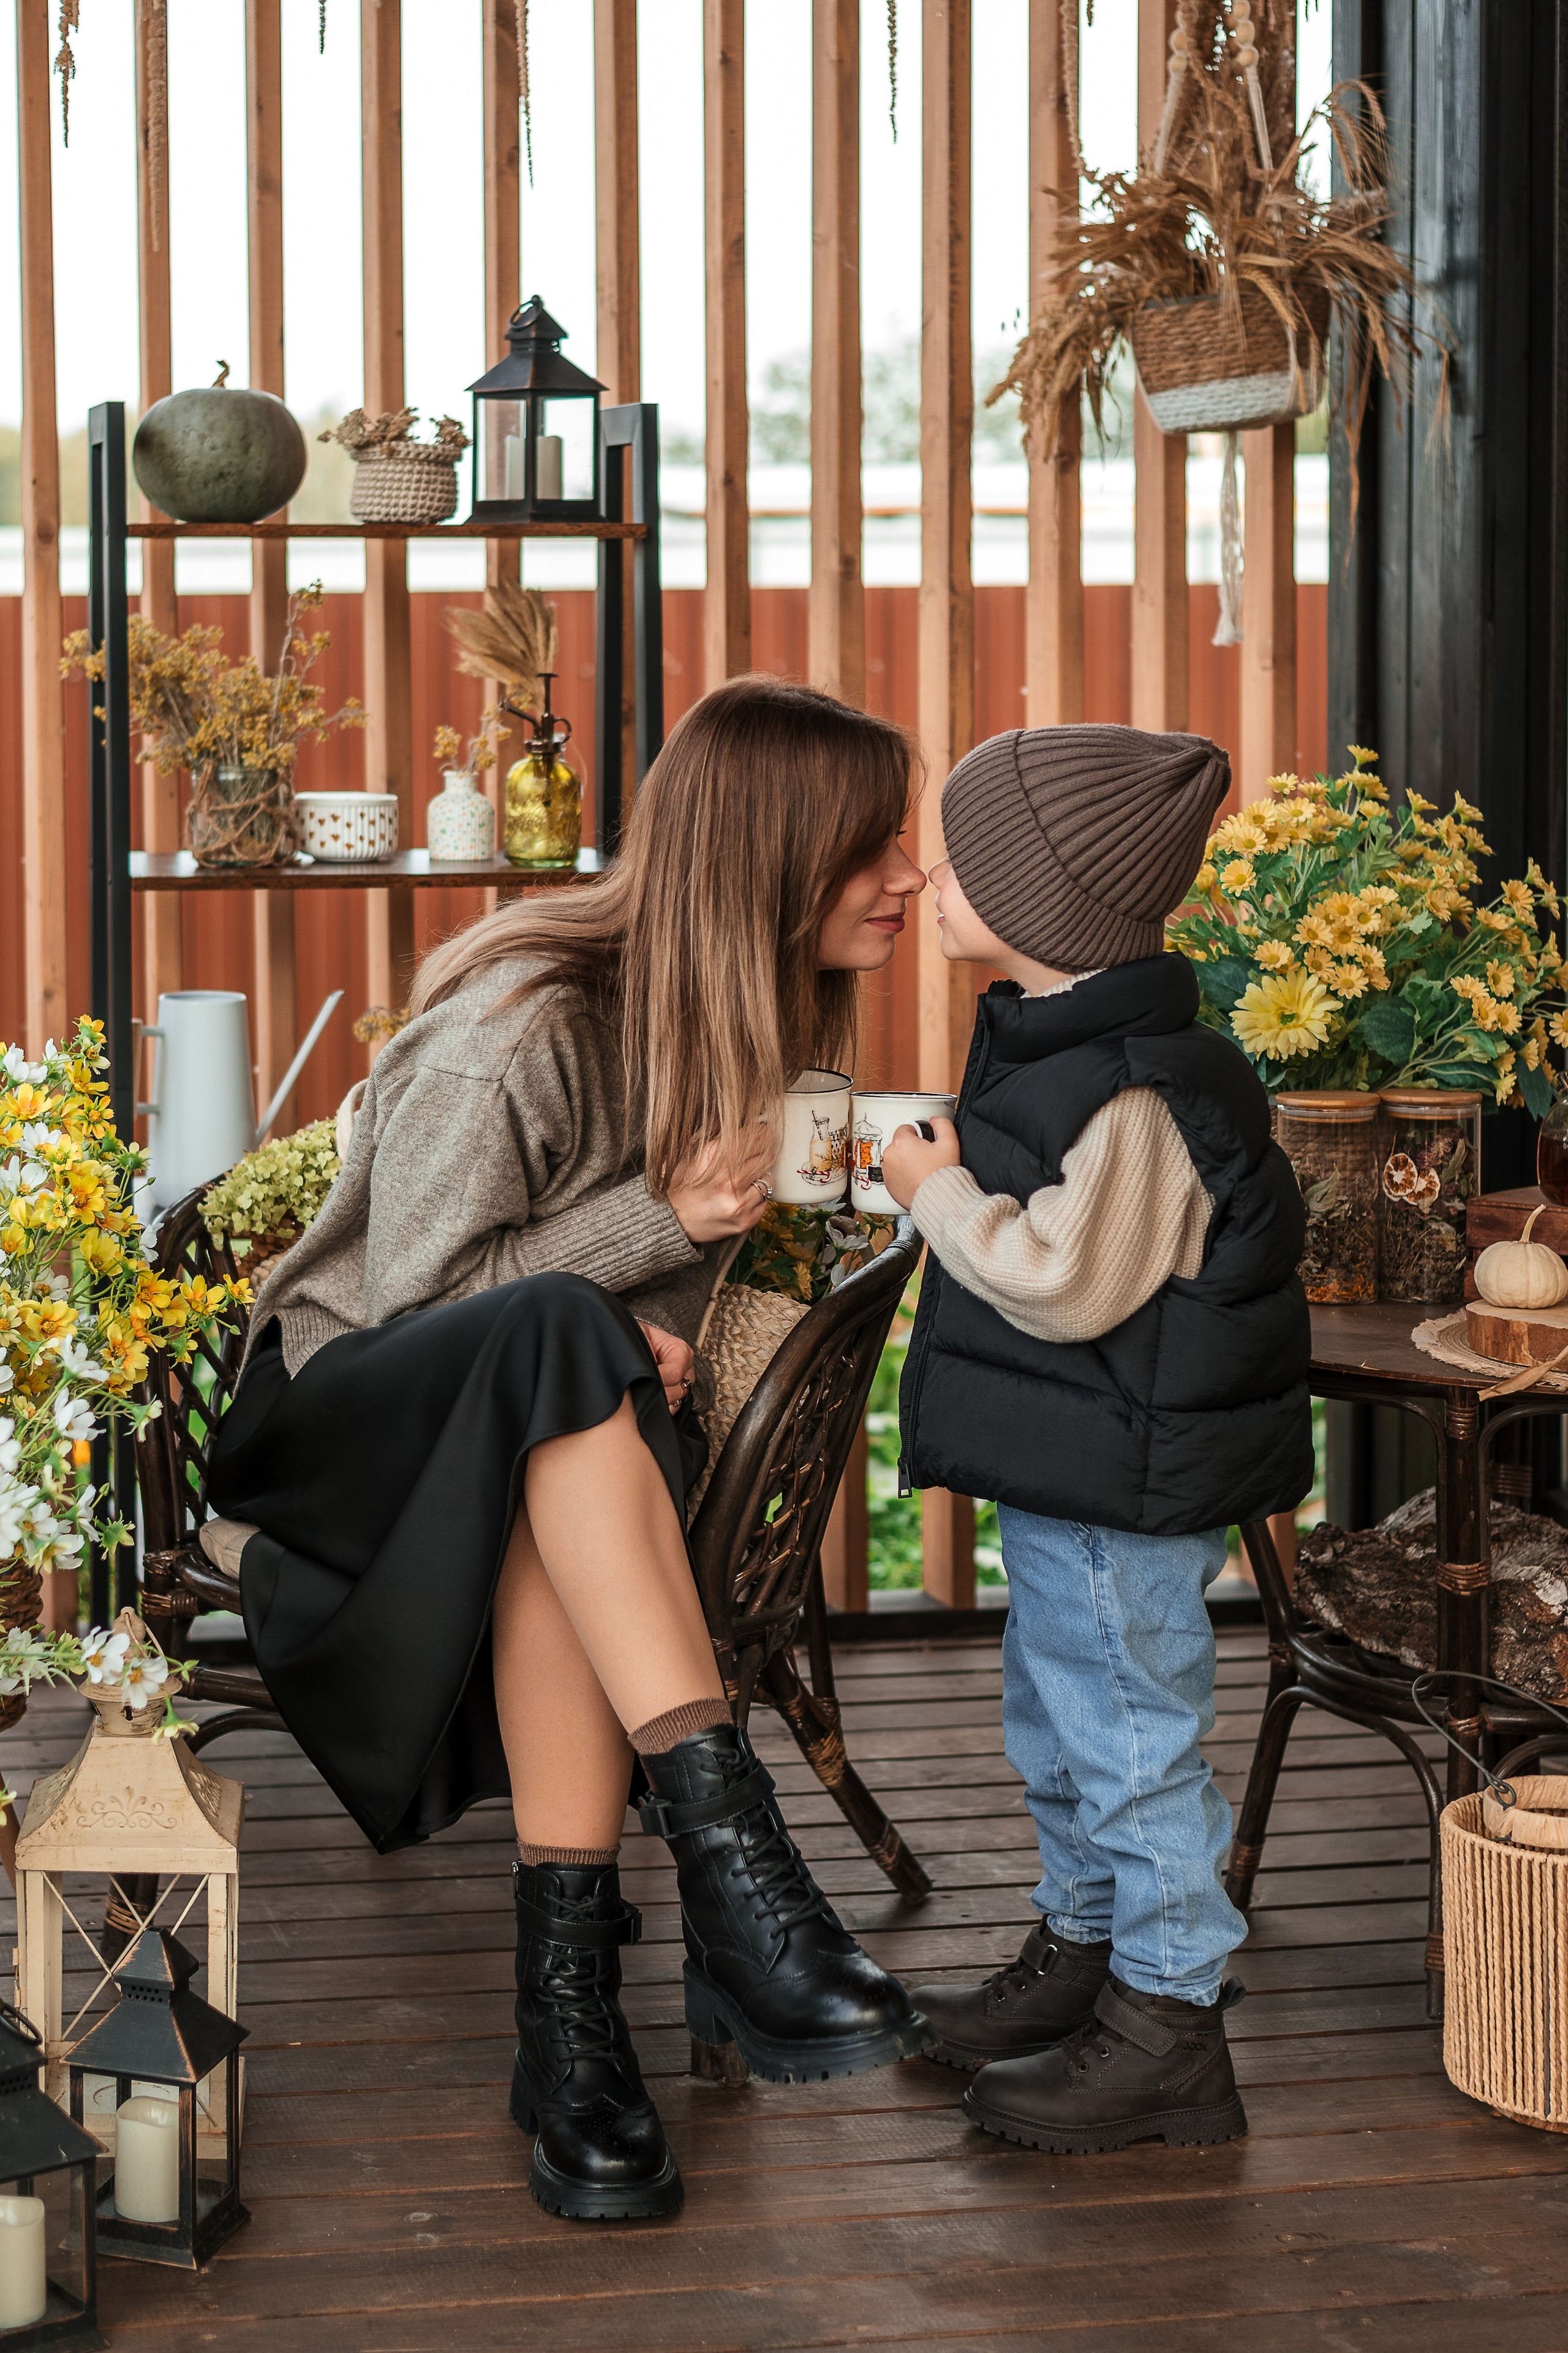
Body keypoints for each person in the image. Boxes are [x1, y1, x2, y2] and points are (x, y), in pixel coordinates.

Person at [207, 674, 934, 2223]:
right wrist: (655, 1230)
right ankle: (747, 1882)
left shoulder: (757, 1025)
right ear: (769, 858)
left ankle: (571, 2037)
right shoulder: (525, 1027)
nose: (909, 875)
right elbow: (412, 1305)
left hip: (539, 1427)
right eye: (875, 845)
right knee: (557, 1346)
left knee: (569, 1411)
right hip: (335, 1425)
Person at [881, 723, 1311, 2156]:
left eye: (960, 858)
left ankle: (1168, 2022)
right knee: (1060, 1727)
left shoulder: (1135, 1086)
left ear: (1044, 902)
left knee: (1129, 1741)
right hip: (1081, 1477)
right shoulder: (1068, 1043)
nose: (927, 876)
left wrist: (935, 1194)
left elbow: (1064, 1280)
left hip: (1124, 1494)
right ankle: (1084, 1951)